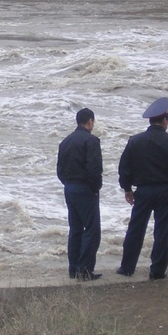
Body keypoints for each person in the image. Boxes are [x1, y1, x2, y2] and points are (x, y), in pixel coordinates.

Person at [116, 97, 168, 280]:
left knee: (136, 229)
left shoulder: (135, 141)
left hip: (143, 191)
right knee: (162, 231)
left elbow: (124, 168)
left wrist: (127, 189)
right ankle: (157, 271)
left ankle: (127, 268)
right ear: (165, 121)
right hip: (166, 191)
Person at [57, 107, 103, 280]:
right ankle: (84, 270)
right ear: (90, 121)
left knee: (75, 229)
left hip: (69, 187)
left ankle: (73, 268)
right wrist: (95, 187)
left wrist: (68, 183)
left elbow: (59, 169)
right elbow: (94, 169)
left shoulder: (65, 142)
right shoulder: (91, 141)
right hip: (85, 189)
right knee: (92, 230)